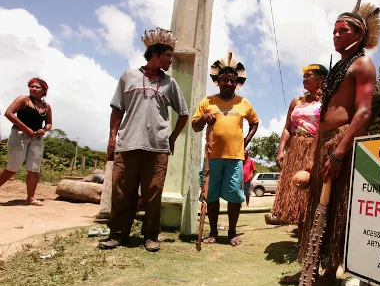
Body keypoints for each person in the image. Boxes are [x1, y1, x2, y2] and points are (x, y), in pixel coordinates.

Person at [293, 0, 380, 286]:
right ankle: (309, 267)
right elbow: (322, 117)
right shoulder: (333, 73)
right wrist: (313, 155)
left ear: (360, 34)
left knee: (336, 209)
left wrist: (340, 152)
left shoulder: (363, 65)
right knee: (314, 206)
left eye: (343, 31)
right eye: (334, 31)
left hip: (343, 142)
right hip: (324, 143)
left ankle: (330, 271)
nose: (336, 36)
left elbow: (363, 113)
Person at [98, 27, 189, 252]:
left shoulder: (170, 84)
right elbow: (117, 109)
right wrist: (112, 139)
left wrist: (172, 138)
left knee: (153, 193)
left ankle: (150, 236)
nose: (171, 60)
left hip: (157, 148)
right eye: (168, 56)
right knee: (122, 192)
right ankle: (118, 235)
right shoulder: (128, 76)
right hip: (127, 144)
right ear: (156, 53)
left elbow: (184, 113)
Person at [192, 52, 259, 247]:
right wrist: (204, 118)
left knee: (234, 196)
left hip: (235, 158)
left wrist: (244, 142)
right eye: (225, 80)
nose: (229, 84)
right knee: (210, 196)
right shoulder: (207, 102)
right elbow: (195, 125)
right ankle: (213, 232)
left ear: (237, 83)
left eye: (233, 81)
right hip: (212, 157)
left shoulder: (243, 103)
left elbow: (254, 123)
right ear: (218, 81)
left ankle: (231, 233)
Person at [270, 64, 327, 225]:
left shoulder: (327, 101)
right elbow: (288, 128)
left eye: (309, 75)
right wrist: (281, 150)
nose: (305, 78)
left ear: (321, 79)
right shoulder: (297, 101)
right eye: (304, 75)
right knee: (295, 189)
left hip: (314, 148)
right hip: (295, 147)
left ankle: (309, 230)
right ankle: (299, 226)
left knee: (309, 191)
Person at [0, 78, 53, 206]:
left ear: (44, 90)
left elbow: (49, 123)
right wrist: (26, 129)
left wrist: (43, 130)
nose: (34, 89)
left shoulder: (46, 106)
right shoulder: (24, 99)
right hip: (19, 135)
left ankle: (30, 197)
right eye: (32, 86)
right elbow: (9, 113)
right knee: (14, 166)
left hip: (36, 138)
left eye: (37, 87)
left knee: (34, 168)